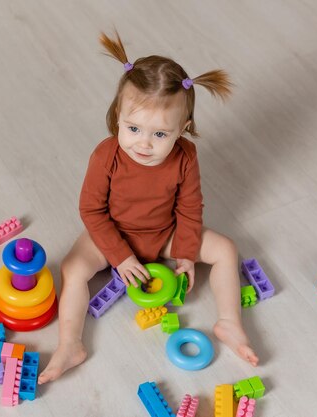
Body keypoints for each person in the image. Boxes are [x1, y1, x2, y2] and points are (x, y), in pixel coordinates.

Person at [38, 31, 258, 384]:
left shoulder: (186, 157)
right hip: (113, 231)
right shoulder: (106, 155)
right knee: (74, 268)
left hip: (164, 233)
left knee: (226, 250)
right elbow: (92, 211)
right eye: (134, 128)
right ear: (117, 116)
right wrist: (120, 256)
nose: (143, 143)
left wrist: (185, 253)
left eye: (159, 135)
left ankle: (229, 323)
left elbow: (189, 207)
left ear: (181, 131)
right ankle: (70, 344)